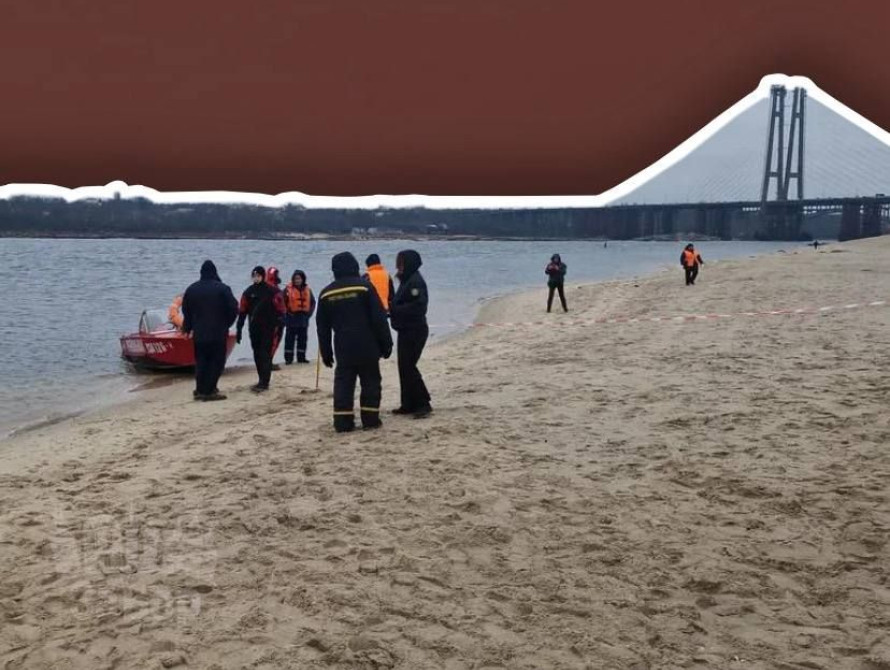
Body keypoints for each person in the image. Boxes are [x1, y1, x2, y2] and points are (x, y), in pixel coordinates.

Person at [316, 252, 393, 433]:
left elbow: (322, 327)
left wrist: (326, 352)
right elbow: (379, 318)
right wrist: (386, 343)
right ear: (355, 266)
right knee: (371, 381)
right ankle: (370, 419)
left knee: (343, 383)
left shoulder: (326, 293)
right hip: (368, 343)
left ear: (334, 270)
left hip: (343, 346)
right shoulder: (365, 287)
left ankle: (342, 422)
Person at [181, 260, 239, 401]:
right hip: (218, 332)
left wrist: (188, 327)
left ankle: (200, 389)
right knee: (217, 361)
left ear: (201, 273)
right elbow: (234, 308)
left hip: (199, 333)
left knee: (201, 361)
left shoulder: (191, 289)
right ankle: (209, 391)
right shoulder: (223, 288)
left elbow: (186, 311)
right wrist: (227, 323)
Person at [389, 249, 432, 418]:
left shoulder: (415, 282)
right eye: (398, 263)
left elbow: (419, 306)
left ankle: (423, 403)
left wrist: (395, 309)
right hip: (405, 329)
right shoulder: (407, 280)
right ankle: (408, 403)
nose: (398, 267)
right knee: (403, 366)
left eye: (401, 263)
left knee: (409, 366)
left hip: (415, 329)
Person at [236, 266, 286, 392]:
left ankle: (265, 382)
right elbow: (242, 311)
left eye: (258, 275)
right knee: (257, 354)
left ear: (263, 276)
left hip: (269, 327)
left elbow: (281, 308)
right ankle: (261, 380)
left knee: (265, 354)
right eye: (254, 275)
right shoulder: (248, 292)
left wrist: (281, 322)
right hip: (254, 328)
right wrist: (239, 329)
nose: (256, 278)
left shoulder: (273, 291)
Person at [283, 269, 315, 364]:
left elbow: (312, 302)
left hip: (303, 318)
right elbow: (282, 303)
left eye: (299, 279)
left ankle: (301, 358)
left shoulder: (308, 290)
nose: (297, 281)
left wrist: (309, 313)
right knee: (289, 339)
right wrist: (285, 315)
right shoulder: (287, 290)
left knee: (303, 339)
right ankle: (288, 359)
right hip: (291, 318)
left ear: (303, 279)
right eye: (296, 279)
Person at [265, 266, 285, 368]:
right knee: (273, 341)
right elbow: (277, 305)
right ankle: (268, 362)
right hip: (275, 320)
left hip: (271, 319)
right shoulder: (273, 289)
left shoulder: (267, 287)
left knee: (271, 341)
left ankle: (267, 361)